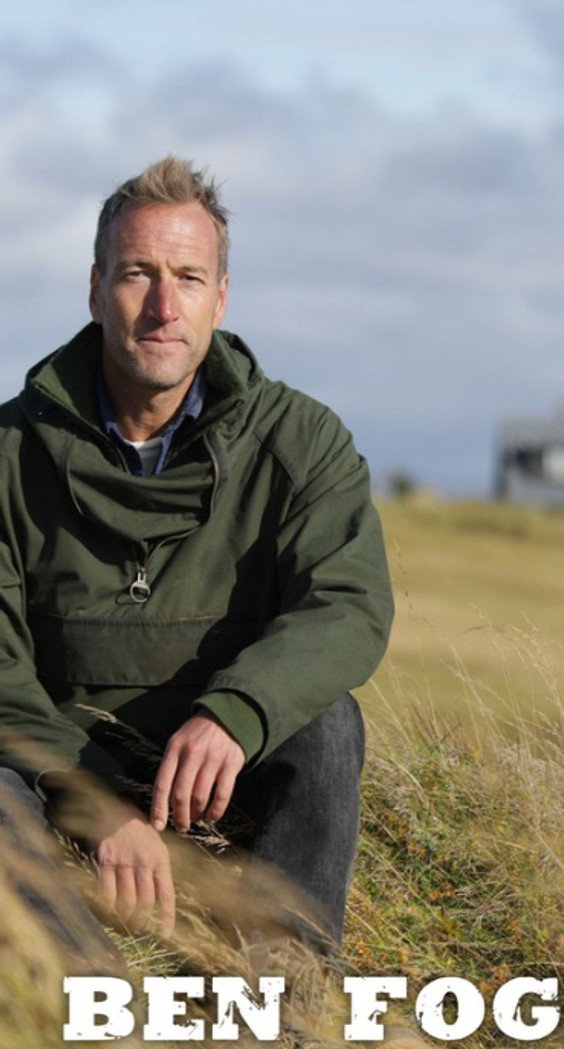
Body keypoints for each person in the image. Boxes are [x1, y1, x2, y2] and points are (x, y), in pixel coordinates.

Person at [0, 155, 393, 958]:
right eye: (137, 274)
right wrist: (94, 801)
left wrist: (236, 711)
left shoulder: (300, 441)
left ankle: (281, 1000)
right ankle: (89, 1003)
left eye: (187, 277)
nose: (162, 306)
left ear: (222, 296)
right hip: (58, 775)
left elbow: (346, 604)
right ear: (95, 289)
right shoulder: (8, 453)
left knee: (326, 725)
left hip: (225, 776)